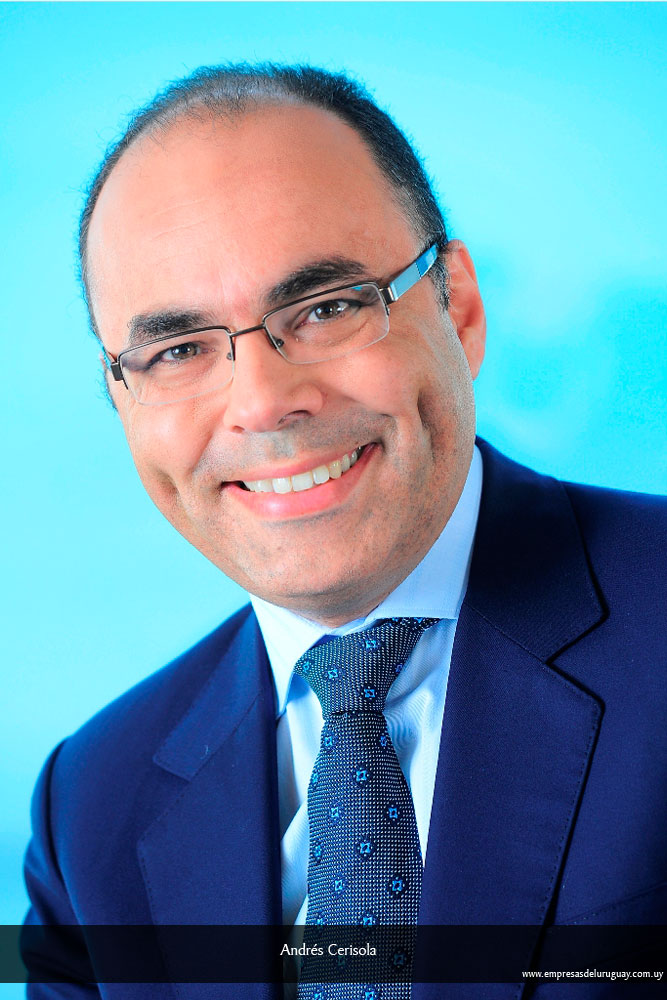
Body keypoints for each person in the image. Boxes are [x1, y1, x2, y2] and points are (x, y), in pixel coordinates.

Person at [23, 64, 666, 999]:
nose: (262, 404)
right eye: (177, 350)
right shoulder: (91, 810)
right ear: (121, 397)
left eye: (327, 308)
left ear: (458, 309)